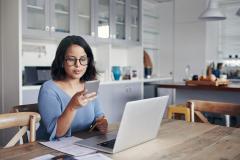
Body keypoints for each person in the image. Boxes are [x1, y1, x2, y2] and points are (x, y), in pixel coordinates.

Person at [37, 35, 108, 141]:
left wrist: (102, 124)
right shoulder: (48, 89)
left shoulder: (89, 85)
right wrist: (72, 107)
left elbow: (99, 117)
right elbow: (57, 133)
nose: (78, 65)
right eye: (71, 59)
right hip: (50, 150)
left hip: (81, 144)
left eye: (83, 59)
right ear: (61, 61)